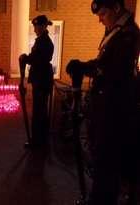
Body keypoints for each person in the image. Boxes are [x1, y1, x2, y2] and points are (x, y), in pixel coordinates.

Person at [67, 0, 140, 204]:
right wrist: (86, 67)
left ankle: (102, 199)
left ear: (116, 8)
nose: (100, 20)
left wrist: (86, 67)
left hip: (115, 108)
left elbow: (113, 69)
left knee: (107, 159)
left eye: (103, 14)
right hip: (105, 105)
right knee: (101, 156)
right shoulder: (115, 30)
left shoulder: (128, 34)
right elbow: (104, 64)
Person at [19, 15, 54, 147]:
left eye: (37, 26)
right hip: (40, 79)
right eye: (34, 26)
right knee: (39, 110)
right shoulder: (41, 40)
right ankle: (38, 139)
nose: (35, 29)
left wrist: (26, 58)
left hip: (41, 79)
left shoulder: (44, 42)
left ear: (44, 26)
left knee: (39, 112)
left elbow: (38, 60)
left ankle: (38, 141)